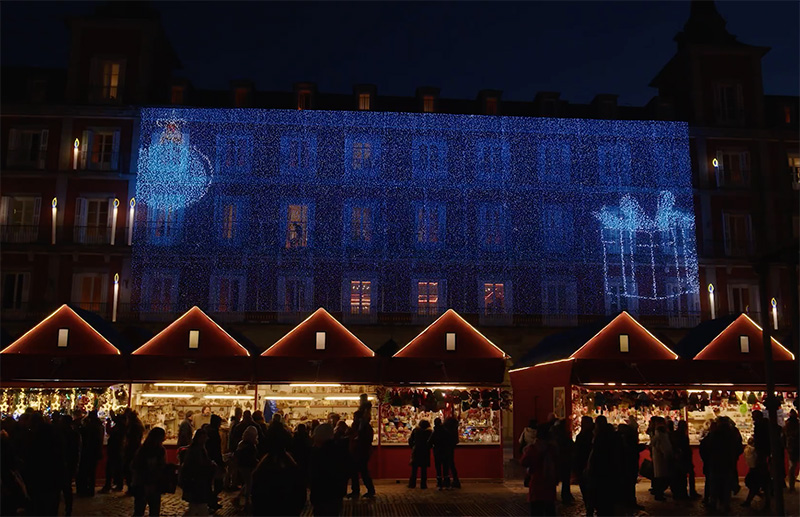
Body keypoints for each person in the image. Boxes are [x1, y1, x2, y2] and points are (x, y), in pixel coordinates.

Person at [251, 446, 307, 516]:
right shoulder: (292, 469)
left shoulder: (262, 470)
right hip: (287, 511)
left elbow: (255, 495)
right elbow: (301, 493)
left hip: (267, 510)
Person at [520, 422, 559, 517]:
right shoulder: (552, 449)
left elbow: (524, 462)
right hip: (549, 484)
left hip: (536, 483)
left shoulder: (533, 448)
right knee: (550, 511)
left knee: (536, 511)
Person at [310, 423, 348, 516]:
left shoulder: (318, 454)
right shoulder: (338, 451)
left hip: (322, 496)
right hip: (335, 495)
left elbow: (314, 476)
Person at [588, 415, 621, 515]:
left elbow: (596, 455)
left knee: (602, 497)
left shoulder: (600, 438)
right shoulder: (613, 437)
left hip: (601, 471)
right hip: (610, 471)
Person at [131, 427, 167, 517]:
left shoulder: (143, 450)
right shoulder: (158, 451)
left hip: (145, 483)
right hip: (148, 483)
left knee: (140, 510)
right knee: (151, 510)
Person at [180, 428, 215, 516]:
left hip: (198, 481)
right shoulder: (196, 450)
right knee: (200, 506)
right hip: (197, 481)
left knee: (195, 506)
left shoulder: (199, 449)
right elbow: (197, 465)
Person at [347, 409, 375, 499]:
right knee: (359, 472)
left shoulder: (362, 427)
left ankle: (366, 490)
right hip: (360, 452)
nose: (354, 419)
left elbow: (365, 439)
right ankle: (362, 490)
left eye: (355, 417)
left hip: (360, 451)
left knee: (361, 472)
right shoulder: (362, 426)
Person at [56, 414, 81, 516]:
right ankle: (68, 508)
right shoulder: (74, 434)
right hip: (68, 463)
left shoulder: (62, 434)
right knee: (66, 488)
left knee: (62, 488)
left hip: (64, 463)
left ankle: (64, 508)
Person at [76, 410, 104, 497]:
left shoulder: (91, 427)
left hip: (89, 451)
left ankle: (87, 489)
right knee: (91, 472)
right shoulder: (99, 426)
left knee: (87, 471)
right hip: (94, 451)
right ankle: (90, 489)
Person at [616, 415, 641, 510]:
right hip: (629, 465)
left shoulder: (621, 440)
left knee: (628, 483)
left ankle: (627, 502)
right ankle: (629, 502)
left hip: (626, 465)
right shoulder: (628, 441)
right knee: (629, 484)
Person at [573, 415, 594, 516]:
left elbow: (577, 453)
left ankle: (589, 508)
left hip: (585, 466)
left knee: (586, 489)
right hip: (586, 466)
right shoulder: (593, 435)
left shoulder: (583, 436)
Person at [235, 425, 260, 507]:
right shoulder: (250, 445)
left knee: (247, 482)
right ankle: (246, 500)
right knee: (249, 482)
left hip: (242, 465)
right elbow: (251, 457)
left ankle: (238, 498)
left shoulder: (242, 443)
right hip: (247, 465)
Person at [101, 412, 125, 493]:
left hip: (115, 450)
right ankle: (117, 484)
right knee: (117, 468)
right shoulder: (121, 427)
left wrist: (108, 423)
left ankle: (110, 485)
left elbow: (110, 432)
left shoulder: (119, 428)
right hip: (117, 450)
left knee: (112, 468)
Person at [205, 414, 225, 511]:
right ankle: (212, 500)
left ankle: (211, 501)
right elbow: (216, 449)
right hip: (213, 460)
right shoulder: (214, 433)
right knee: (218, 483)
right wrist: (220, 462)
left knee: (209, 483)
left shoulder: (207, 430)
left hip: (208, 459)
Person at [552, 418, 574, 503]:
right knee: (565, 479)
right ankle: (566, 496)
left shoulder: (555, 435)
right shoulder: (564, 437)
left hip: (558, 460)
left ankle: (554, 496)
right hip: (565, 460)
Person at [124, 410, 145, 495]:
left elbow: (132, 438)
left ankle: (131, 487)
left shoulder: (133, 426)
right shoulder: (137, 425)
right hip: (134, 448)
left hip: (132, 449)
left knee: (130, 469)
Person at [650, 420, 672, 502]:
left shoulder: (656, 437)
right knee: (663, 478)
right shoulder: (662, 437)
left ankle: (658, 493)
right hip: (662, 459)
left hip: (658, 459)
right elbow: (665, 449)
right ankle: (659, 493)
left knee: (659, 477)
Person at [408, 419, 433, 488]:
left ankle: (412, 484)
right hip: (425, 451)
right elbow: (431, 442)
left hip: (416, 450)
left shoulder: (416, 430)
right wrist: (428, 447)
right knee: (424, 469)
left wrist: (413, 446)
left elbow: (410, 440)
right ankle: (423, 484)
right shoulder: (429, 432)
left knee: (414, 469)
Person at [430, 418, 451, 490]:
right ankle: (447, 484)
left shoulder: (434, 432)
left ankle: (439, 484)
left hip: (437, 452)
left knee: (438, 469)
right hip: (445, 452)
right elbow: (450, 440)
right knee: (446, 468)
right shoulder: (446, 431)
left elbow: (429, 442)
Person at [518, 418, 537, 488]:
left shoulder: (525, 431)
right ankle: (531, 479)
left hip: (526, 449)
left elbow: (520, 440)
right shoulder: (537, 432)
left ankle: (527, 480)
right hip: (534, 450)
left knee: (527, 466)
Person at [444, 416, 461, 488]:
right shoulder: (454, 430)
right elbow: (456, 441)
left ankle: (447, 480)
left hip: (446, 448)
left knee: (446, 465)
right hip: (451, 448)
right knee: (451, 464)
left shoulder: (446, 431)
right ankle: (455, 480)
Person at [786, 409, 799, 492]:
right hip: (794, 448)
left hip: (792, 448)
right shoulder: (797, 425)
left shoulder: (787, 425)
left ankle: (791, 486)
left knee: (792, 468)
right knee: (792, 467)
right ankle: (791, 486)